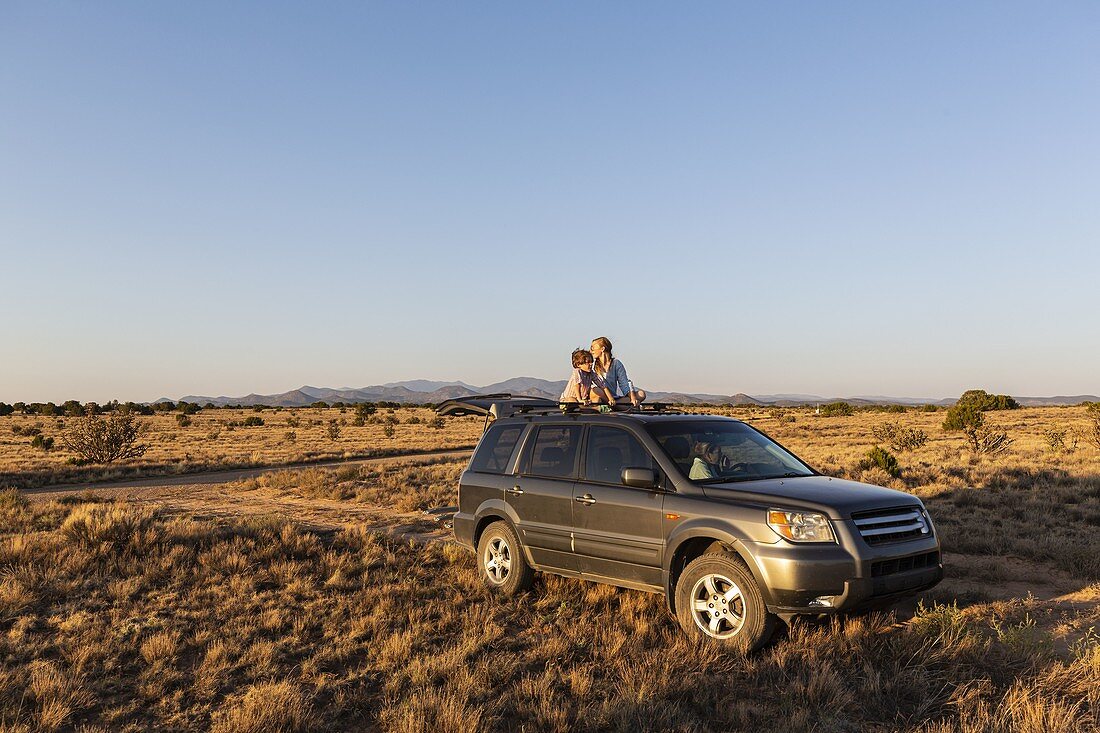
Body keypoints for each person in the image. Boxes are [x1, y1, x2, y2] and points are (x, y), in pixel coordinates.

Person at [590, 336, 647, 407]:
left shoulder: (616, 363)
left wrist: (633, 398)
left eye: (592, 348)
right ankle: (617, 406)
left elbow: (624, 384)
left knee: (641, 394)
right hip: (599, 397)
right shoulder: (591, 364)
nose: (590, 351)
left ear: (602, 349)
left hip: (614, 398)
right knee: (595, 391)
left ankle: (613, 406)